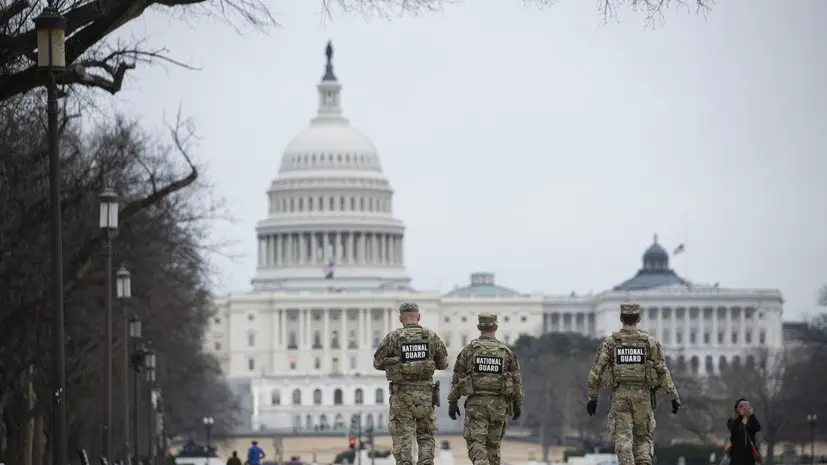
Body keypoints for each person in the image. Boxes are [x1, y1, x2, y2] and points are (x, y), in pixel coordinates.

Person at [585, 303, 681, 465]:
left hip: (621, 396)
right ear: (638, 319)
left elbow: (595, 373)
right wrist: (673, 396)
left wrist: (593, 398)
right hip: (643, 396)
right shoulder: (649, 342)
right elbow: (663, 371)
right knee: (642, 437)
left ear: (621, 319)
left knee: (623, 438)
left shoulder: (611, 343)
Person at [373, 302, 449, 465]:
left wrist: (397, 363)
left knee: (402, 438)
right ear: (419, 317)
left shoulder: (393, 338)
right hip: (425, 396)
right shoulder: (431, 336)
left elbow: (377, 363)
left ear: (401, 318)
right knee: (426, 436)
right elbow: (443, 364)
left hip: (401, 396)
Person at [447, 313, 523, 465]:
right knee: (493, 446)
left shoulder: (469, 350)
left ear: (478, 327)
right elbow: (516, 381)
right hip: (499, 405)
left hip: (476, 404)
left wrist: (453, 401)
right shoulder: (506, 352)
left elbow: (457, 377)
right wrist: (517, 404)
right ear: (495, 327)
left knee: (476, 443)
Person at [726, 398, 762, 465]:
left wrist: (752, 415)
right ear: (737, 409)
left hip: (749, 456)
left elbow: (757, 428)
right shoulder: (733, 421)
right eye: (741, 406)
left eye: (745, 405)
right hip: (736, 455)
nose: (743, 408)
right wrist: (740, 417)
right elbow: (733, 429)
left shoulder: (751, 420)